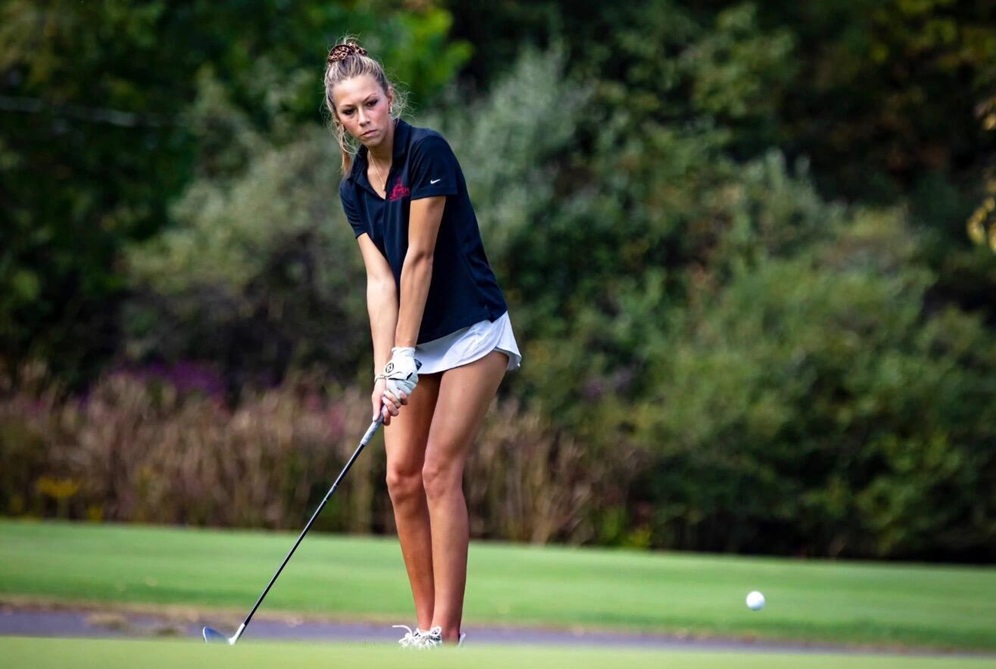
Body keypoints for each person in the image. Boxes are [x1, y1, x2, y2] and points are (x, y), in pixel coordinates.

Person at [323, 39, 521, 649]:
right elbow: (380, 281)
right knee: (401, 477)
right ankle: (424, 626)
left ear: (390, 99)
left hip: (471, 333)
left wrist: (405, 354)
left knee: (438, 471)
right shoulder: (354, 188)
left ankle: (448, 633)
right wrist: (385, 372)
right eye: (351, 112)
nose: (365, 119)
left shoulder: (427, 151)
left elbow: (419, 258)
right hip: (413, 344)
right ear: (340, 120)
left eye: (372, 104)